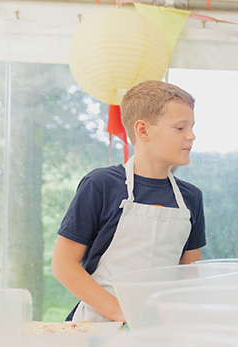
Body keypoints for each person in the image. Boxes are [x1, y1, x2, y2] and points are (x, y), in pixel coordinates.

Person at [52, 80, 206, 322]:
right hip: (97, 325)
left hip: (158, 326)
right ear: (143, 130)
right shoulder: (101, 184)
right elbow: (64, 264)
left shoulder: (191, 198)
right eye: (180, 128)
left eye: (192, 127)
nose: (191, 136)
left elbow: (188, 273)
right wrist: (121, 312)